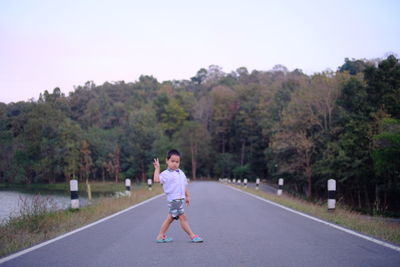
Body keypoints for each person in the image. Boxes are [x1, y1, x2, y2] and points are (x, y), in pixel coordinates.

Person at [153, 149, 203, 243]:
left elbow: (183, 186)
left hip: (179, 200)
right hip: (173, 200)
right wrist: (157, 168)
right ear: (167, 161)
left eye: (177, 162)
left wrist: (187, 196)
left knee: (170, 218)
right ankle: (192, 236)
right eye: (172, 161)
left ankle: (160, 236)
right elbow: (156, 179)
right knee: (183, 218)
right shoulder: (165, 174)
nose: (175, 164)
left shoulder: (181, 173)